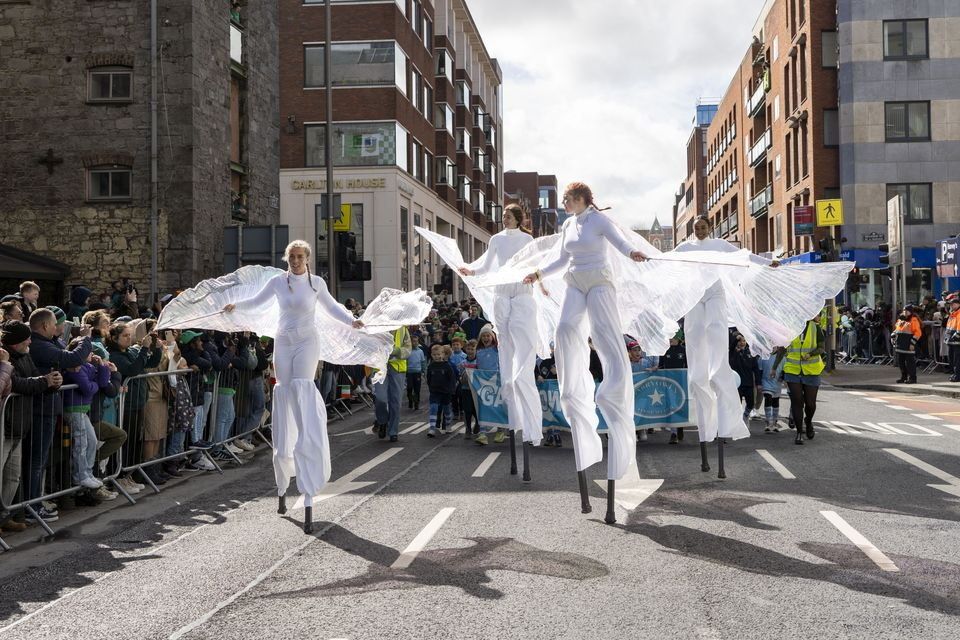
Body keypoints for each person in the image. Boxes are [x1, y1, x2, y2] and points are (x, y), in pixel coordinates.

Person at [222, 240, 366, 528]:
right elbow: (256, 301)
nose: (296, 261)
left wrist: (352, 320)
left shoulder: (316, 284)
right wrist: (235, 307)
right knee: (284, 394)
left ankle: (308, 457)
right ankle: (283, 469)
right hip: (284, 341)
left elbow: (332, 307)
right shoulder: (277, 282)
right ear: (286, 258)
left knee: (301, 389)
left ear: (307, 259)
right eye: (292, 257)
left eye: (300, 257)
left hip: (306, 341)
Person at [522, 182, 647, 481]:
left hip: (600, 281)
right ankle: (574, 385)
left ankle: (613, 384)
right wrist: (538, 273)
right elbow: (562, 259)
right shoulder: (569, 224)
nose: (564, 202)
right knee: (565, 329)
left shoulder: (598, 219)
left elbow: (618, 242)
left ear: (579, 199)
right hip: (575, 281)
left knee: (605, 334)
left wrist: (633, 253)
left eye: (566, 198)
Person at [672, 215, 778, 446]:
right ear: (693, 230)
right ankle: (701, 370)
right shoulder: (686, 247)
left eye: (703, 227)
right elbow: (665, 260)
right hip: (696, 293)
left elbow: (744, 256)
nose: (700, 231)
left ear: (709, 228)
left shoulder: (719, 244)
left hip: (715, 291)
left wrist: (767, 262)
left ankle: (718, 368)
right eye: (696, 228)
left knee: (715, 326)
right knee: (696, 329)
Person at [458, 203, 542, 447]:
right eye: (503, 216)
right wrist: (470, 271)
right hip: (502, 292)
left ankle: (522, 382)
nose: (504, 219)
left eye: (507, 216)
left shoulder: (528, 239)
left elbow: (536, 265)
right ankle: (510, 384)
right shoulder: (496, 239)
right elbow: (486, 265)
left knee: (521, 338)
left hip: (522, 290)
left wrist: (542, 283)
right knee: (504, 339)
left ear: (518, 218)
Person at [24, 308, 92, 506]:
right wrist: (85, 339)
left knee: (41, 460)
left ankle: (36, 502)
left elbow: (66, 357)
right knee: (36, 461)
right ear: (45, 325)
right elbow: (71, 359)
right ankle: (32, 506)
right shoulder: (40, 345)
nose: (57, 327)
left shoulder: (48, 342)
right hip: (40, 410)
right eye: (54, 324)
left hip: (48, 409)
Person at [1, 321, 60, 529]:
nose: (30, 341)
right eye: (26, 338)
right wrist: (45, 381)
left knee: (13, 478)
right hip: (5, 426)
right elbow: (17, 384)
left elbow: (34, 378)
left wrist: (52, 383)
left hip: (20, 425)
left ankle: (4, 517)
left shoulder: (25, 355)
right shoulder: (4, 358)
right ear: (15, 341)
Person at [61, 340, 111, 491]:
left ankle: (87, 473)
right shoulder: (74, 368)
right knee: (81, 443)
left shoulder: (87, 366)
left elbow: (102, 383)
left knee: (92, 440)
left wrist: (102, 365)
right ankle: (80, 475)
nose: (92, 354)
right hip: (73, 409)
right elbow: (88, 389)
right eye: (89, 351)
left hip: (82, 410)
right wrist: (93, 383)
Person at [778, 316, 825, 445]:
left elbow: (822, 348)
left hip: (811, 370)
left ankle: (808, 422)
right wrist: (774, 367)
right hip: (792, 370)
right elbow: (782, 349)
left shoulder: (815, 328)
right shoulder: (789, 328)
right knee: (797, 401)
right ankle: (799, 432)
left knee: (810, 404)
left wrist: (811, 354)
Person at [373, 325, 411, 442]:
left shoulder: (403, 329)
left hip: (397, 369)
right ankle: (382, 421)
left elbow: (408, 350)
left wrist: (396, 351)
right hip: (379, 368)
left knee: (395, 402)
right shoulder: (377, 328)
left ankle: (393, 431)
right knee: (380, 398)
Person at [473, 324, 504, 445]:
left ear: (492, 337)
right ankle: (482, 433)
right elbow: (476, 365)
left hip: (497, 382)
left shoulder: (497, 349)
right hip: (483, 384)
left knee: (498, 406)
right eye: (483, 336)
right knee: (484, 407)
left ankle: (500, 430)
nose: (486, 338)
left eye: (488, 336)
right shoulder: (479, 351)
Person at [426, 344, 457, 437]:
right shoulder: (431, 366)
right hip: (435, 392)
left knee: (447, 409)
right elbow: (429, 378)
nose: (437, 356)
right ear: (432, 355)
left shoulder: (447, 366)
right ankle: (432, 428)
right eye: (435, 354)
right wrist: (431, 388)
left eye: (439, 354)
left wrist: (451, 390)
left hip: (446, 392)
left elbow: (452, 379)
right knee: (433, 408)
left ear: (443, 354)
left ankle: (448, 424)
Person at [892, 305, 922, 384]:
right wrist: (893, 336)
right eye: (904, 310)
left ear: (911, 312)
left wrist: (912, 343)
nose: (905, 312)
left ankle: (912, 378)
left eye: (907, 311)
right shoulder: (901, 320)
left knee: (910, 363)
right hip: (900, 345)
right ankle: (904, 377)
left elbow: (918, 333)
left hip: (908, 345)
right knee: (901, 362)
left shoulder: (913, 320)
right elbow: (897, 330)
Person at [759, 348, 785, 433]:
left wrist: (782, 377)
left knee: (775, 401)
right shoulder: (763, 357)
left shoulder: (782, 358)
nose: (773, 347)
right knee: (768, 398)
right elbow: (759, 370)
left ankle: (774, 422)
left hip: (777, 383)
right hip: (766, 381)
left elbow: (785, 370)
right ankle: (769, 422)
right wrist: (758, 383)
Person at [406, 333, 426, 410]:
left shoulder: (420, 351)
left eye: (416, 341)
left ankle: (416, 402)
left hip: (417, 372)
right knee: (409, 387)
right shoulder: (408, 351)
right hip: (409, 372)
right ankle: (410, 399)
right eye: (413, 341)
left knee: (417, 388)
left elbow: (423, 362)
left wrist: (423, 371)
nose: (414, 343)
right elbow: (405, 360)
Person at [945, 295, 960, 382]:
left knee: (957, 359)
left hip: (957, 341)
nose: (951, 306)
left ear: (957, 304)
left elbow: (959, 328)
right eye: (950, 304)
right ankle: (955, 374)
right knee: (952, 359)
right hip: (951, 340)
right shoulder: (952, 314)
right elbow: (949, 327)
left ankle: (957, 375)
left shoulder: (958, 314)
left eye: (953, 304)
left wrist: (955, 337)